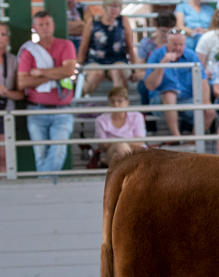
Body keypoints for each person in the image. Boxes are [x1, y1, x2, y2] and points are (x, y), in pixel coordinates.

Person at [17, 12, 76, 174]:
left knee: (58, 152)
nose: (44, 28)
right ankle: (48, 189)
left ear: (53, 25)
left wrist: (40, 72)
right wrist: (55, 74)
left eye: (47, 24)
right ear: (34, 28)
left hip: (63, 109)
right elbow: (23, 82)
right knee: (40, 153)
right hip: (36, 109)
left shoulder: (65, 45)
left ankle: (44, 186)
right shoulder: (29, 51)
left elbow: (69, 70)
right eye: (40, 25)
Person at [144, 30, 216, 138]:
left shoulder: (191, 55)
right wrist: (163, 63)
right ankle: (176, 138)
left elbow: (203, 80)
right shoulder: (156, 55)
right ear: (166, 42)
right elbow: (150, 85)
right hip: (160, 100)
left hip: (187, 99)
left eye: (181, 44)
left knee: (210, 112)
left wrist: (206, 101)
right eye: (175, 44)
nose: (178, 48)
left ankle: (190, 144)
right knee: (169, 94)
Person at [77, 0, 137, 95]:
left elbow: (129, 46)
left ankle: (121, 103)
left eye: (118, 6)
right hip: (95, 61)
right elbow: (83, 47)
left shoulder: (123, 21)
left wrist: (135, 69)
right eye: (112, 6)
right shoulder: (92, 22)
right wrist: (78, 67)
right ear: (104, 7)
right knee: (96, 73)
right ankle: (80, 99)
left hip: (118, 60)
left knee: (117, 71)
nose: (115, 9)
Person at [95, 86, 146, 167]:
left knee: (117, 154)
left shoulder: (137, 116)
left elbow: (139, 143)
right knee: (119, 145)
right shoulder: (100, 119)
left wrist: (115, 144)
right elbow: (103, 146)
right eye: (112, 101)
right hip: (118, 157)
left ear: (127, 102)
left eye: (119, 101)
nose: (115, 104)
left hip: (116, 157)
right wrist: (124, 144)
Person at [0, 23, 24, 173]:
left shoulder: (13, 61)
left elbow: (21, 94)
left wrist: (5, 92)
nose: (0, 38)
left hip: (5, 114)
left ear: (8, 38)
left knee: (4, 157)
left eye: (3, 34)